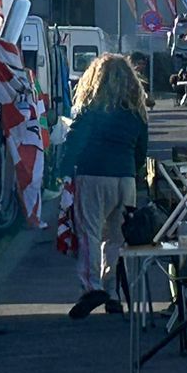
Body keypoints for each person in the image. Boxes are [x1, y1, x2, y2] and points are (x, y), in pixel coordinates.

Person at [61, 52, 151, 319]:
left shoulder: (92, 108)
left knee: (89, 232)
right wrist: (133, 172)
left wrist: (63, 170)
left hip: (93, 174)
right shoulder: (136, 112)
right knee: (116, 238)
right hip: (125, 178)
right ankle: (111, 292)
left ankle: (92, 287)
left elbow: (74, 140)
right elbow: (141, 150)